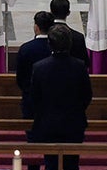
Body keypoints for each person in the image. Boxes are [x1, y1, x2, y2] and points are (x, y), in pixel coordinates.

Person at [28, 24, 93, 170]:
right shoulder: (79, 66)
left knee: (51, 162)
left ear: (49, 44)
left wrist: (44, 113)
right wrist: (76, 110)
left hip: (48, 123)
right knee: (72, 163)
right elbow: (87, 95)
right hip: (73, 122)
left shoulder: (39, 67)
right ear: (70, 43)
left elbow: (34, 97)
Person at [16, 11, 55, 118]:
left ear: (36, 27)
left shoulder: (26, 49)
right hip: (55, 100)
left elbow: (20, 78)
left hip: (31, 99)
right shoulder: (57, 47)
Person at [49, 0, 89, 66]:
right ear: (68, 13)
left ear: (51, 12)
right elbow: (85, 63)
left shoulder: (46, 34)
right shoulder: (78, 37)